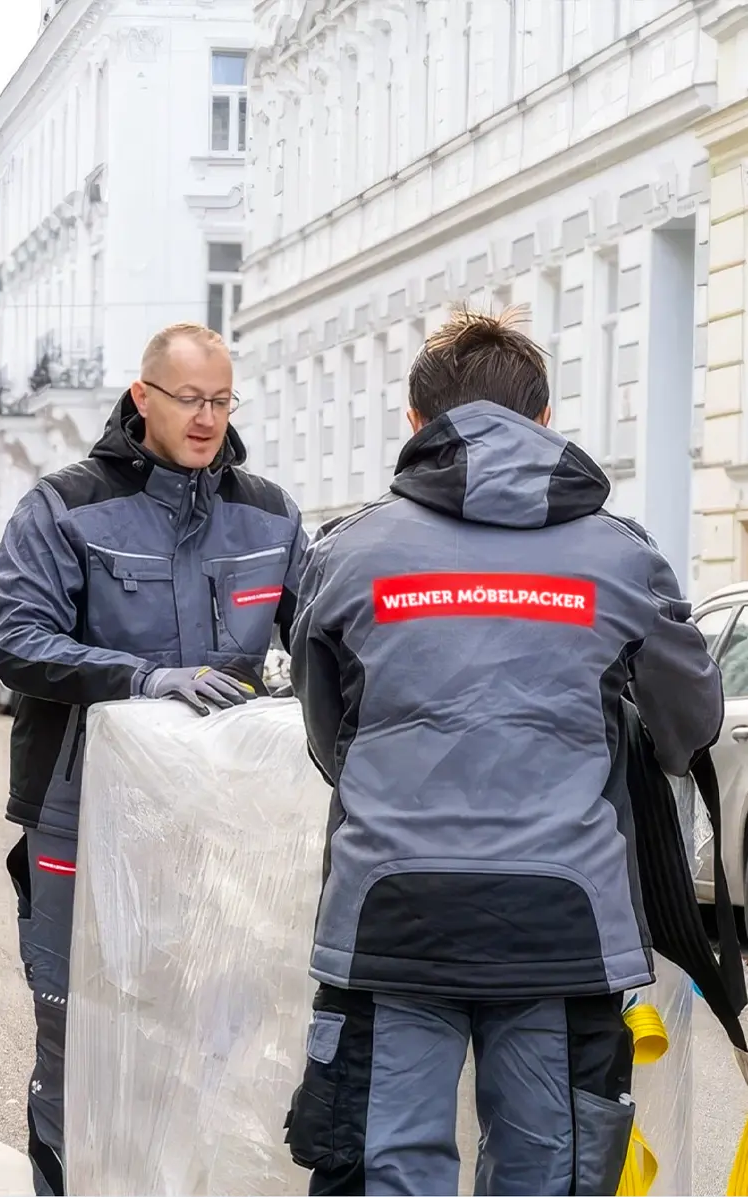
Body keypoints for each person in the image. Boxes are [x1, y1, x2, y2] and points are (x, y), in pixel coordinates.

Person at [286, 306, 723, 1197]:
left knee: (382, 1173)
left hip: (389, 918)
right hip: (562, 924)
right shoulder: (620, 557)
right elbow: (690, 729)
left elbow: (329, 735)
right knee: (547, 1177)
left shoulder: (347, 554)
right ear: (544, 421)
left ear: (416, 424)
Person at [0, 322, 309, 1195]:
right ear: (143, 398)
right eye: (188, 399)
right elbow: (16, 641)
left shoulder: (270, 514)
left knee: (209, 1027)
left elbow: (321, 639)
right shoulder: (63, 506)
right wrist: (143, 678)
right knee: (76, 1025)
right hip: (79, 810)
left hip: (219, 823)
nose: (206, 419)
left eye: (221, 400)